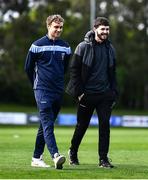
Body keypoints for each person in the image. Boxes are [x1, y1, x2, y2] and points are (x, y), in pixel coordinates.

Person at [66, 17, 118, 168]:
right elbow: (74, 70)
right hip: (86, 95)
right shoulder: (83, 46)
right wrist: (80, 93)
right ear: (95, 29)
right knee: (82, 126)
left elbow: (113, 72)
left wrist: (113, 92)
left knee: (104, 126)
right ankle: (73, 152)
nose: (105, 32)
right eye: (102, 29)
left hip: (105, 95)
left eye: (107, 29)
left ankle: (103, 159)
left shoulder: (111, 49)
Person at [25, 14, 71, 169]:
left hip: (58, 91)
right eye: (55, 27)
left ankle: (36, 158)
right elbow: (28, 68)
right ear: (48, 26)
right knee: (48, 125)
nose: (58, 30)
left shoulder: (66, 47)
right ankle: (55, 155)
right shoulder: (36, 45)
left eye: (60, 27)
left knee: (45, 125)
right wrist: (36, 85)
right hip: (42, 90)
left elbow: (65, 68)